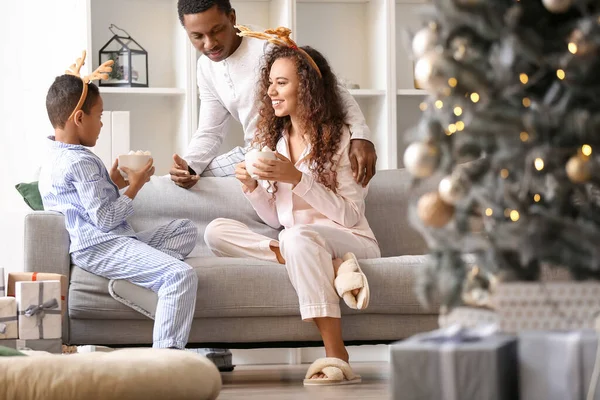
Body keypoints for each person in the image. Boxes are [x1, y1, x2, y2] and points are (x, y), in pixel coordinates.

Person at [203, 29, 381, 385]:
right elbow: (276, 217)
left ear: (308, 89)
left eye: (281, 83)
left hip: (352, 239)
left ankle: (336, 354)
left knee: (298, 237)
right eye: (270, 83)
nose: (270, 92)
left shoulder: (342, 139)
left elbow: (349, 215)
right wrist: (252, 189)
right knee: (215, 231)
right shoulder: (275, 141)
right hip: (300, 241)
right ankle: (329, 265)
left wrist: (297, 177)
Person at [38, 52, 199, 350]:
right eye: (99, 117)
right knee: (180, 275)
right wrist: (135, 188)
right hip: (101, 245)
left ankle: (138, 278)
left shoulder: (54, 157)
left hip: (110, 240)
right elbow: (105, 220)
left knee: (185, 230)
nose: (101, 124)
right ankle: (166, 362)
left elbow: (84, 204)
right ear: (79, 118)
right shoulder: (80, 162)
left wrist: (113, 184)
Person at [170, 0, 377, 189]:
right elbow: (210, 131)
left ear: (232, 18)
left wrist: (361, 135)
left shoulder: (267, 46)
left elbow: (328, 87)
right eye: (197, 36)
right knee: (193, 178)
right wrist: (188, 167)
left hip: (292, 148)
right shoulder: (205, 68)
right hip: (255, 151)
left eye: (217, 30)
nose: (209, 43)